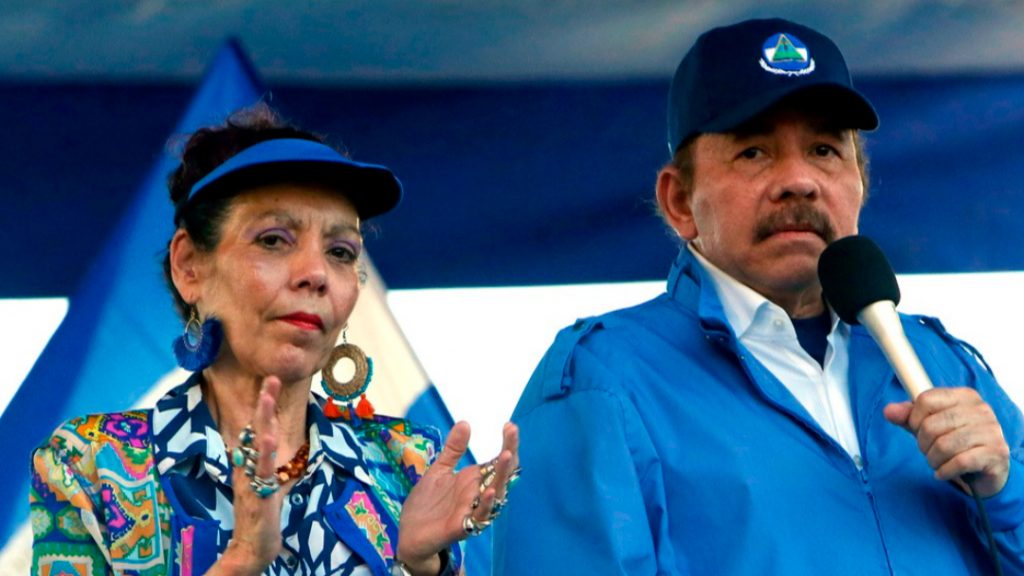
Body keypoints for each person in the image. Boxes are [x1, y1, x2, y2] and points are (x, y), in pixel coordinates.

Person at [494, 18, 1024, 575]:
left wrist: (1006, 494)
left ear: (861, 184)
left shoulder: (944, 365)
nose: (799, 180)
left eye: (824, 149)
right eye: (753, 152)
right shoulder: (603, 379)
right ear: (680, 202)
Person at [30, 104, 519, 576]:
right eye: (273, 240)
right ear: (189, 266)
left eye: (341, 252)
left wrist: (424, 567)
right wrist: (240, 562)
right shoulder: (91, 464)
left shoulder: (407, 461)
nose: (315, 273)